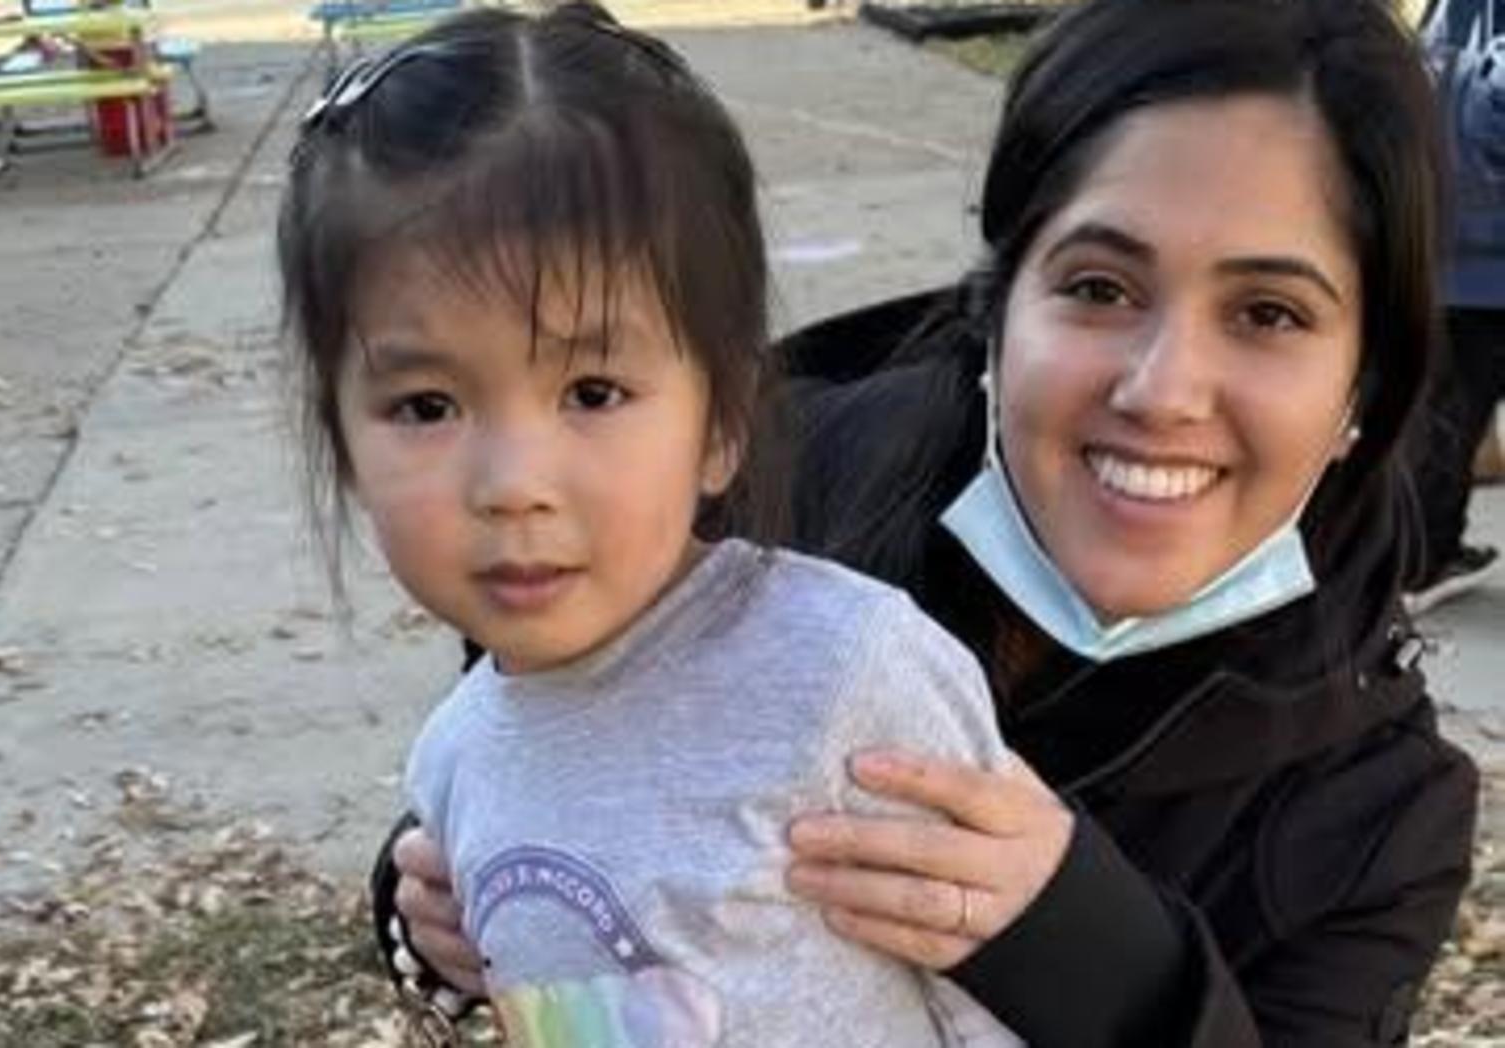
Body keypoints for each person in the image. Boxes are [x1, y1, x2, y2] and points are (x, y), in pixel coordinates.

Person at [375, 0, 1483, 1044]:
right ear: (998, 301)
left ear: (1361, 385)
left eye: (1266, 313)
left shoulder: (1376, 814)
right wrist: (427, 901)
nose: (1161, 389)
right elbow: (526, 719)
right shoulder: (743, 491)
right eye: (1098, 287)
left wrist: (1087, 943)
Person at [279, 4, 1023, 1044]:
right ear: (344, 440)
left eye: (590, 391)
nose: (511, 483)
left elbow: (1001, 996)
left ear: (719, 418)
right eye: (426, 407)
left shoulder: (846, 675)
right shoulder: (454, 759)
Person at [1408, 0, 1505, 613]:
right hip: (1490, 263)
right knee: (1446, 424)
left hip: (1443, 257)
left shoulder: (1445, 13)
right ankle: (1426, 559)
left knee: (1443, 421)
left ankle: (1424, 558)